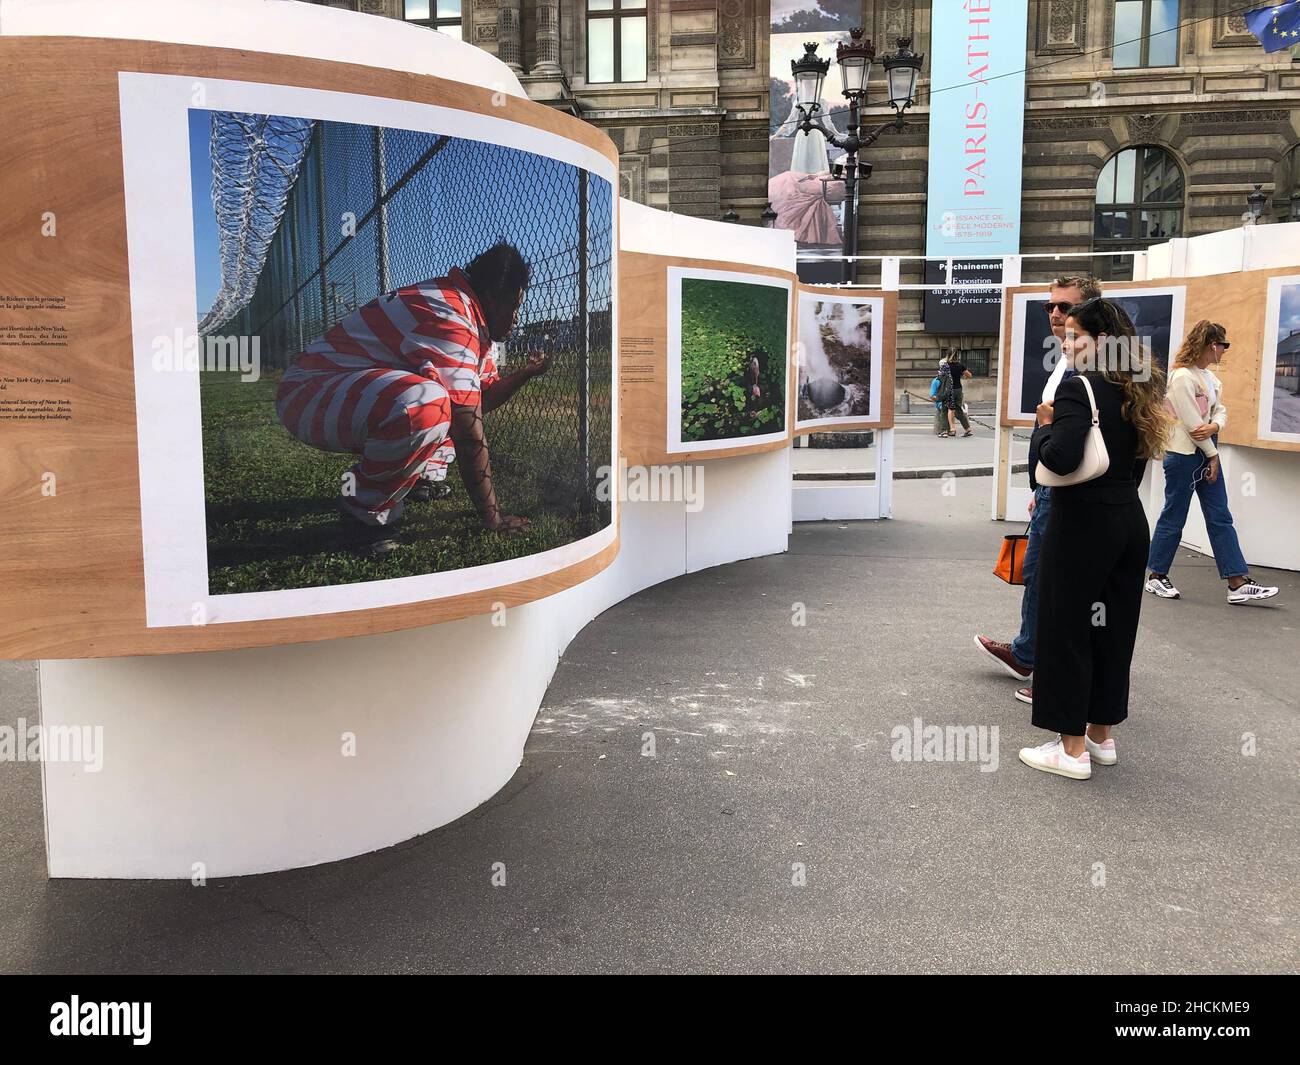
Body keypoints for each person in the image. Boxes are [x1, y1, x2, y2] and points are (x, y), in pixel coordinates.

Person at [275, 242, 550, 556]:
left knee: (449, 399)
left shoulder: (471, 319)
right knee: (429, 403)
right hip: (307, 394)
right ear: (492, 295)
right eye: (513, 306)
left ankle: (414, 480)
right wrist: (493, 518)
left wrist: (525, 373)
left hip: (338, 390)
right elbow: (468, 430)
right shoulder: (452, 314)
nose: (516, 318)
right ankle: (361, 515)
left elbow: (479, 401)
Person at [1017, 297, 1165, 780]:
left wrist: (1042, 428)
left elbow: (1058, 459)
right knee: (1111, 630)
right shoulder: (1139, 388)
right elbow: (1138, 460)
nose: (1066, 341)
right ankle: (1101, 737)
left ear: (1103, 341)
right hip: (1128, 520)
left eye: (1077, 334)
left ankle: (1071, 748)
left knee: (1065, 628)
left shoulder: (1079, 388)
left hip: (1082, 524)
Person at [975, 275, 1102, 684]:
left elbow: (1068, 440)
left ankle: (1047, 666)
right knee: (1038, 574)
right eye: (1050, 306)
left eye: (1065, 307)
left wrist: (1053, 477)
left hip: (1071, 492)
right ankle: (1030, 652)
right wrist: (1040, 488)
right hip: (1054, 489)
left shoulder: (1091, 369)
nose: (1055, 314)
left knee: (1054, 581)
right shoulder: (1068, 361)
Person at [1145, 320, 1280, 605]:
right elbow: (1194, 424)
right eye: (1224, 345)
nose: (1225, 350)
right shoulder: (1182, 377)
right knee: (1175, 515)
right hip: (1184, 455)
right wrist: (1213, 453)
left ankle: (1236, 582)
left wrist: (1216, 427)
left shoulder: (1208, 377)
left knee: (1220, 516)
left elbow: (1220, 411)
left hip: (1204, 450)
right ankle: (1156, 577)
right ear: (1211, 345)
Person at [943, 351, 974, 437]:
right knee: (958, 409)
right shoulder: (960, 365)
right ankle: (967, 429)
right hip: (959, 390)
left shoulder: (946, 366)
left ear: (947, 355)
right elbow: (969, 375)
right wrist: (964, 377)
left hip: (950, 390)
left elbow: (941, 378)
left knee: (950, 409)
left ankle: (952, 430)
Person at [931, 358, 950, 437]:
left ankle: (944, 431)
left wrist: (937, 401)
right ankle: (950, 430)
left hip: (942, 402)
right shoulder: (951, 378)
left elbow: (932, 395)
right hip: (949, 401)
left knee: (943, 412)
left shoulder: (936, 380)